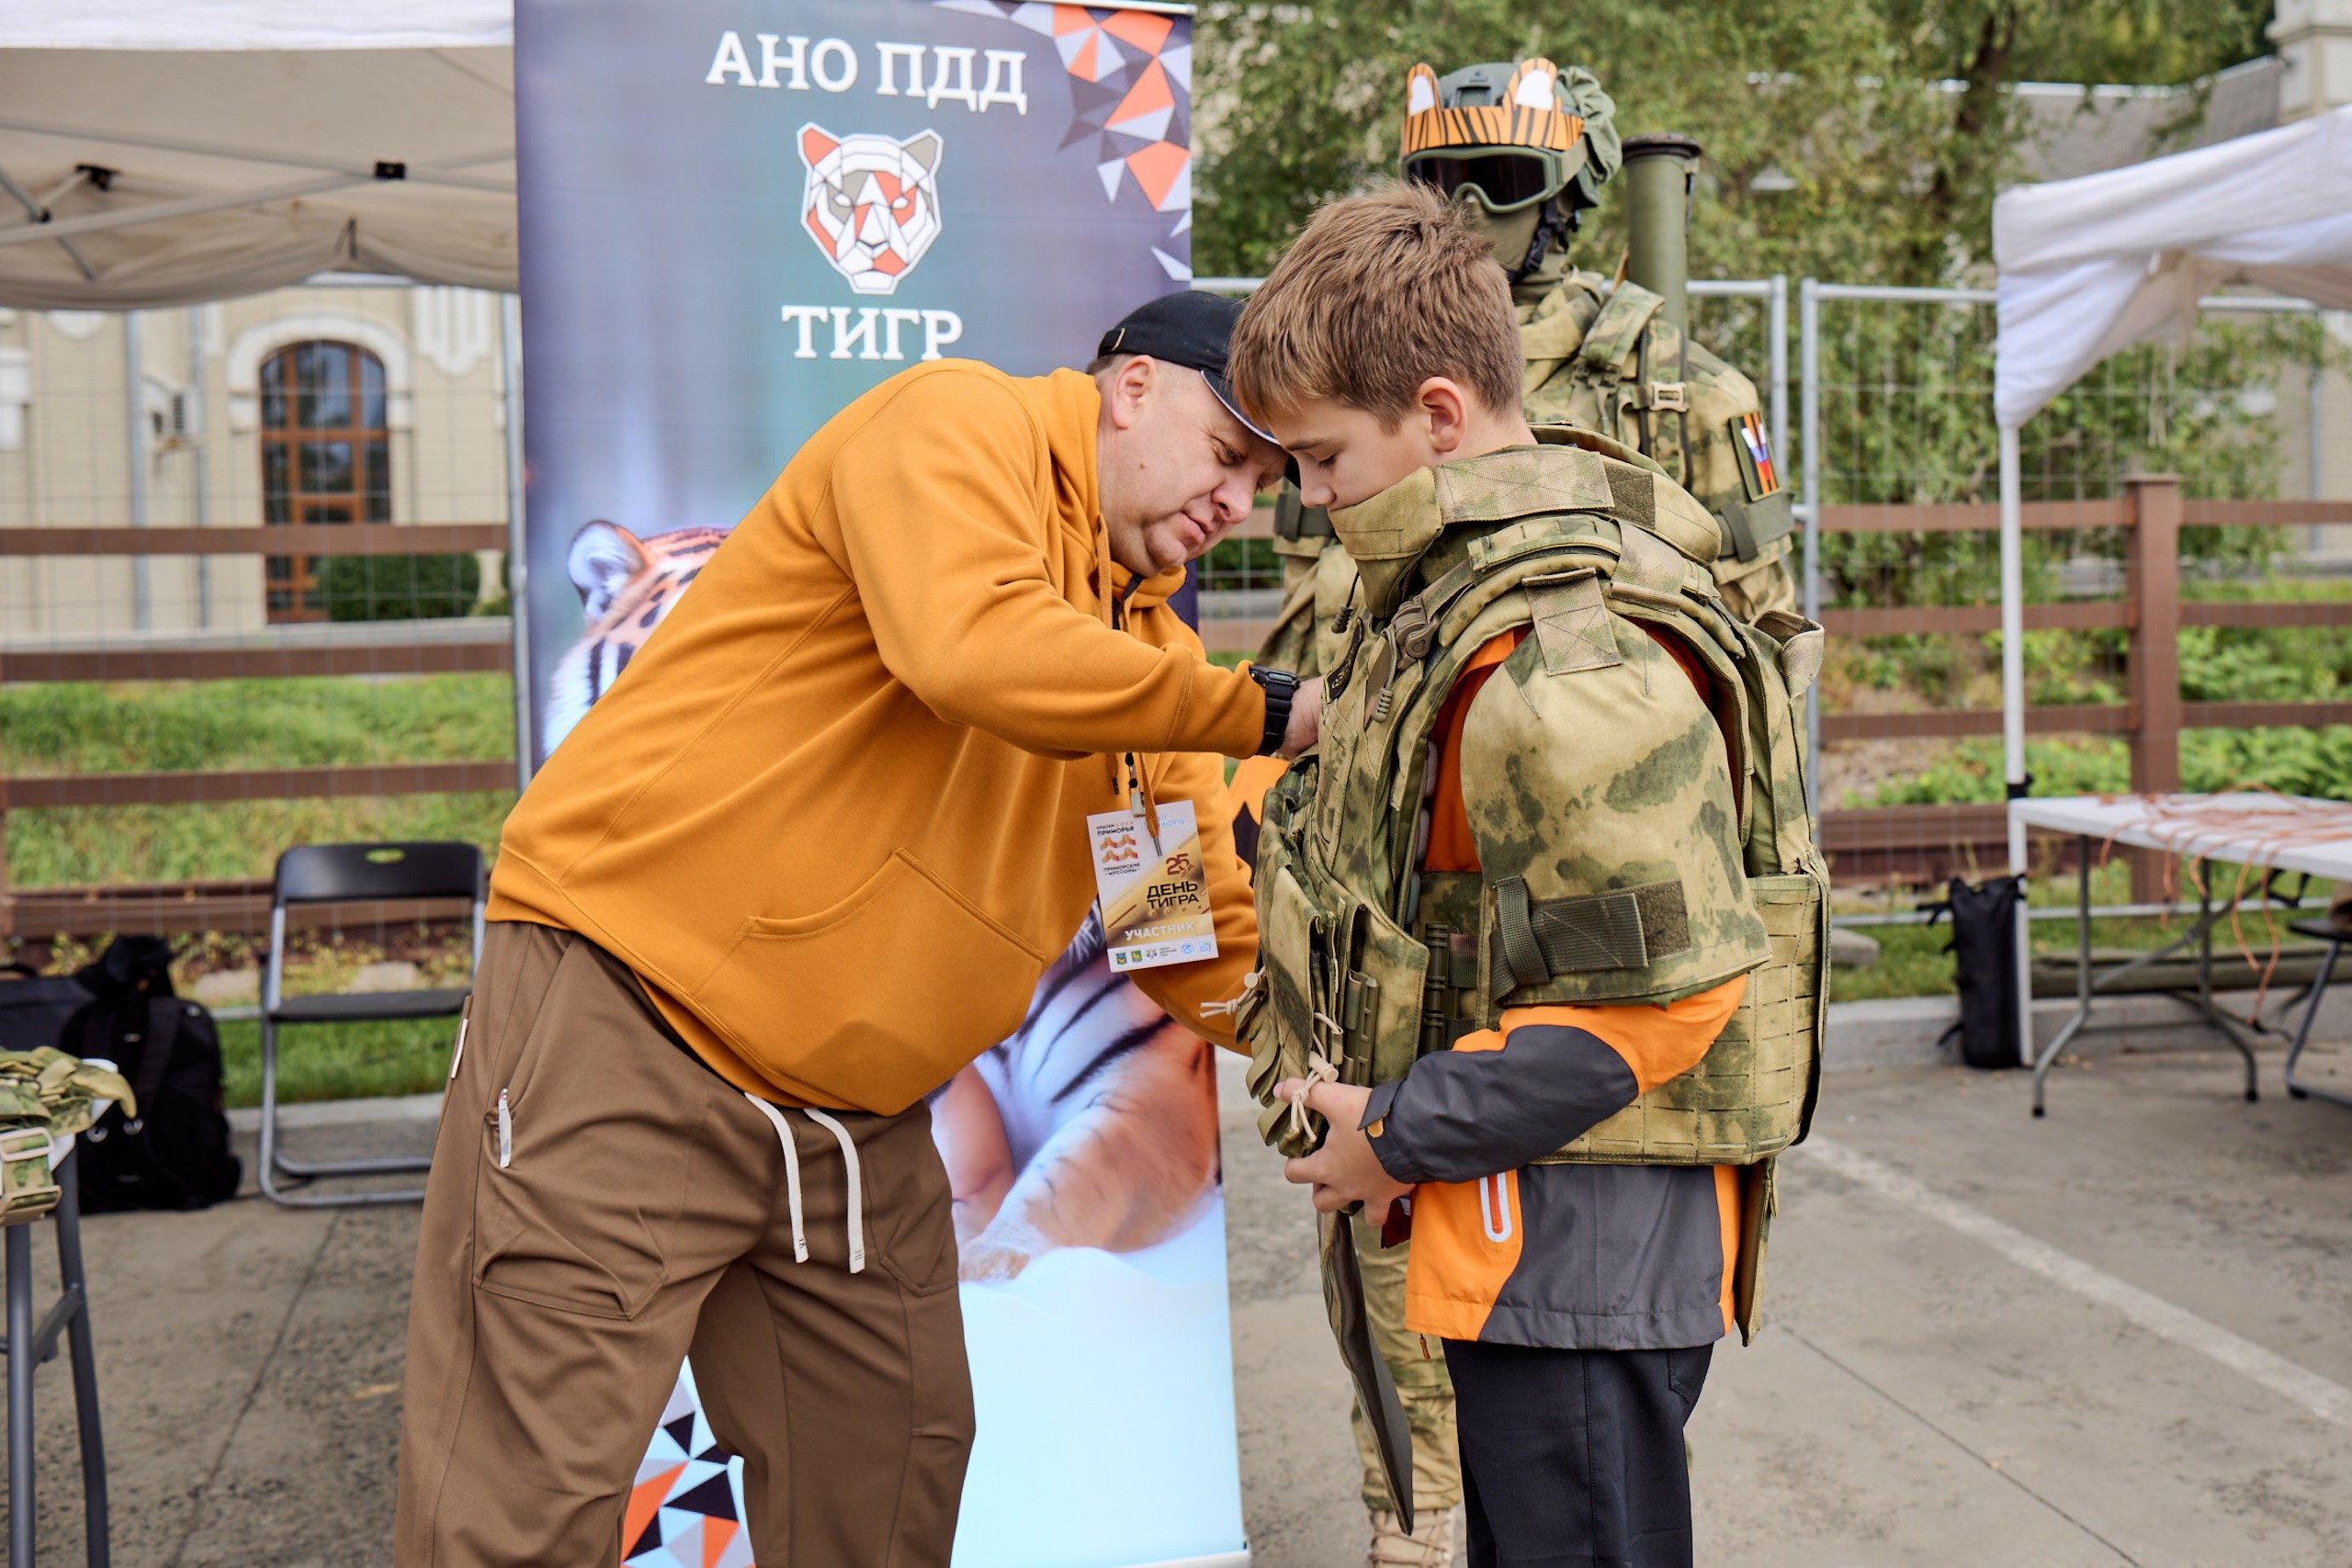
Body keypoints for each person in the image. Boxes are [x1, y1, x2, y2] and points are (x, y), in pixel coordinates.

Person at [395, 289, 1312, 1567]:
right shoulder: (956, 422)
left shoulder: (1143, 662)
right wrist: (1269, 709)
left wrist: (1358, 1065)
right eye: (1228, 454)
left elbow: (1173, 929)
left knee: (887, 1477)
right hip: (632, 1029)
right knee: (523, 1505)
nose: (1238, 502)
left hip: (856, 1122)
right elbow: (970, 649)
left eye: (1265, 482)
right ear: (1134, 385)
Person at [1227, 180, 1826, 1568]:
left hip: (1579, 1260)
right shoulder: (1458, 594)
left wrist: (1397, 1127)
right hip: (1512, 1231)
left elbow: (1661, 1000)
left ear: (1438, 415)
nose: (1310, 497)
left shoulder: (1561, 657)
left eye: (1322, 456)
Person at [1259, 54, 1795, 695]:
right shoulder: (1343, 381)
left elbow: (1758, 657)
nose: (1467, 205)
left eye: (1501, 177)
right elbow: (1308, 626)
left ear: (1562, 192)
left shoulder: (1682, 393)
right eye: (1441, 179)